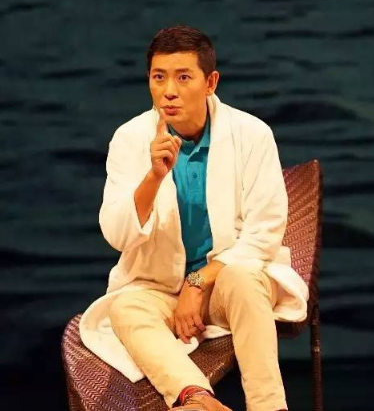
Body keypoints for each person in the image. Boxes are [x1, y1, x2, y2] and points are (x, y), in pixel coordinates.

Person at [79, 26, 308, 411]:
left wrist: (198, 282)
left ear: (210, 82)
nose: (169, 91)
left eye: (183, 77)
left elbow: (264, 232)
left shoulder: (252, 134)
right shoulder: (129, 139)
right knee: (124, 309)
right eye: (159, 77)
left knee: (244, 279)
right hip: (158, 289)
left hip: (227, 285)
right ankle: (197, 399)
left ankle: (269, 406)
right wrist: (153, 177)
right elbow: (117, 235)